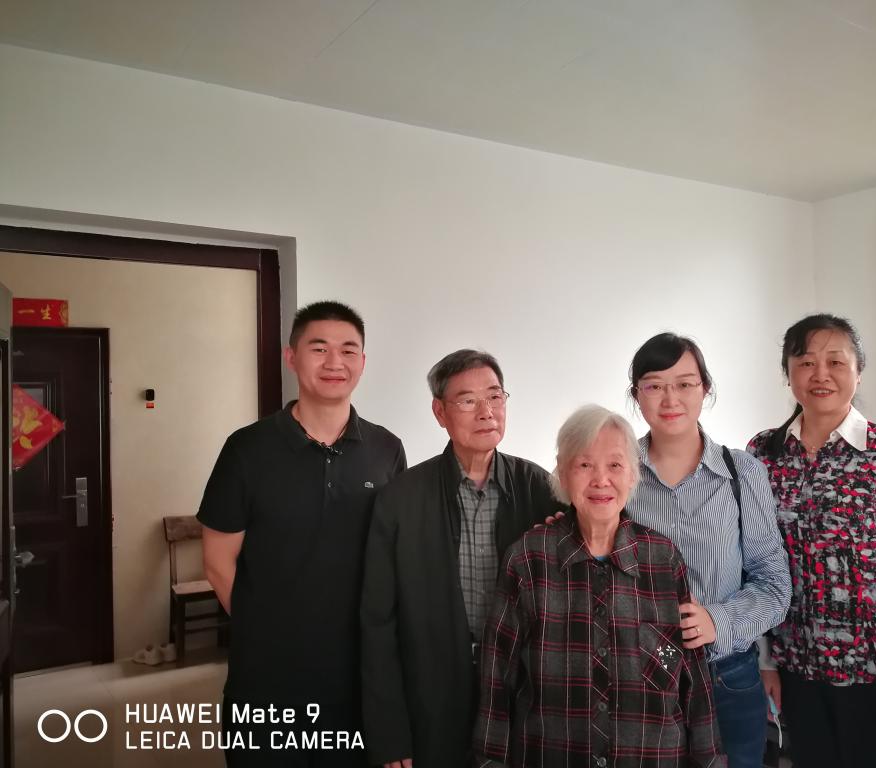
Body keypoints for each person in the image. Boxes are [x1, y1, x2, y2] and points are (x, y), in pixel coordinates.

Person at [199, 301, 407, 767]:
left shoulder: (386, 449)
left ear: (363, 362)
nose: (335, 362)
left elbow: (395, 552)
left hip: (359, 675)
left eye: (348, 350)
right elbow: (216, 562)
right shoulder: (247, 449)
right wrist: (266, 631)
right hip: (268, 678)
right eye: (319, 348)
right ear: (291, 357)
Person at [474, 405, 723, 768]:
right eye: (585, 465)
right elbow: (497, 677)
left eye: (615, 465)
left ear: (633, 474)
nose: (601, 480)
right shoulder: (528, 558)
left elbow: (692, 676)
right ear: (563, 473)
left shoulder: (663, 559)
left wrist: (709, 761)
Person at [747, 313, 876, 768]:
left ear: (858, 371)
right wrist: (766, 661)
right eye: (805, 362)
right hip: (795, 668)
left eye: (835, 362)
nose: (820, 375)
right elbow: (755, 564)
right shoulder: (762, 453)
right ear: (788, 373)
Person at [361, 349, 564, 768]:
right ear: (440, 412)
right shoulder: (401, 498)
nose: (486, 411)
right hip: (431, 688)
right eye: (468, 400)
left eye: (495, 396)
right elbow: (378, 621)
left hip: (518, 687)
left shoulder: (540, 489)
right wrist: (389, 733)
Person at [626, 332, 791, 768]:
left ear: (705, 389)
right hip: (639, 679)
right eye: (654, 385)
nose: (670, 399)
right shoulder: (617, 474)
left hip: (727, 677)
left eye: (685, 384)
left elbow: (775, 585)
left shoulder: (743, 473)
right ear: (636, 395)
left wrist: (717, 620)